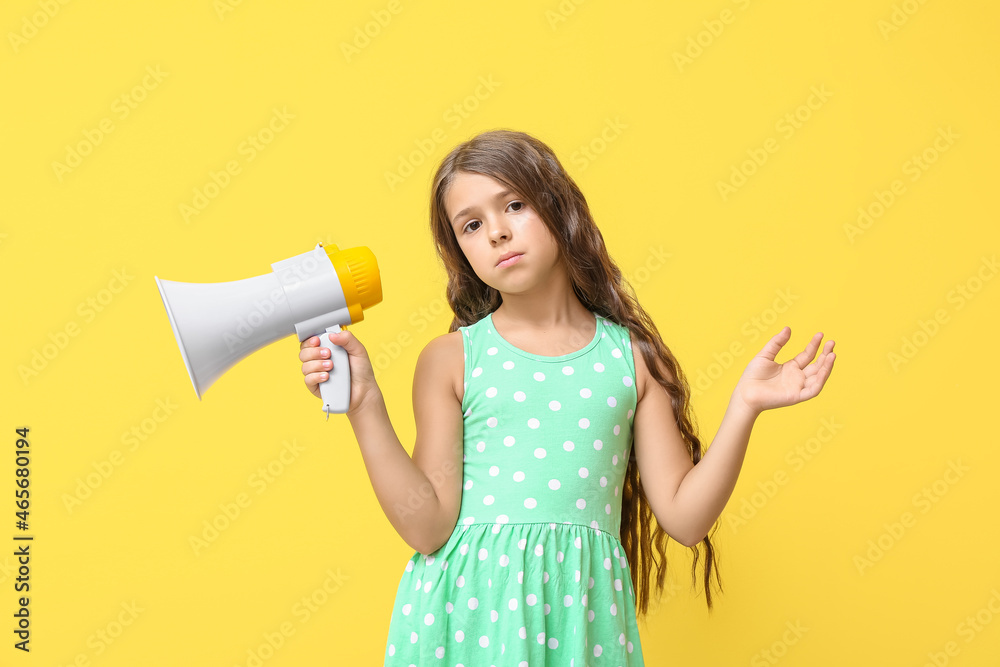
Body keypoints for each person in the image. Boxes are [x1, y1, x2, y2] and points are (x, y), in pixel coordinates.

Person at [298, 129, 836, 665]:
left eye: (514, 205)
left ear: (558, 206)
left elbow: (686, 519)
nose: (497, 232)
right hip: (465, 624)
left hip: (580, 627)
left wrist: (745, 407)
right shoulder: (452, 359)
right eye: (472, 225)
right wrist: (364, 405)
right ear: (460, 250)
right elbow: (426, 526)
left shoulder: (631, 360)